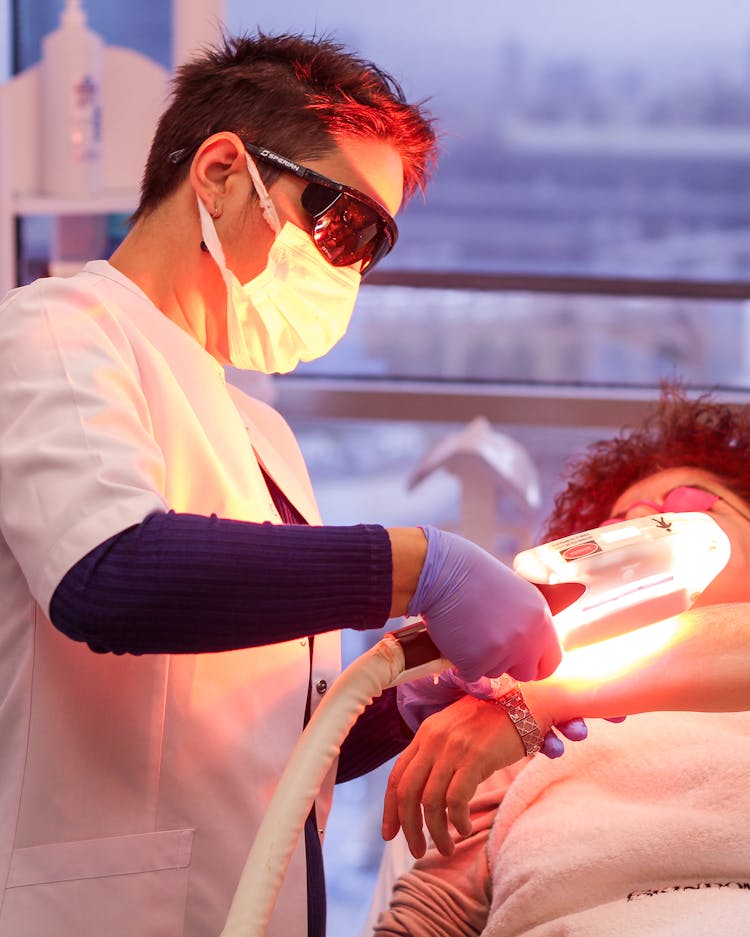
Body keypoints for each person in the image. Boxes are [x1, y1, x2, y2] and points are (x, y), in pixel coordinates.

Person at [0, 30, 562, 937]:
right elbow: (110, 576)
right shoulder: (59, 332)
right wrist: (423, 563)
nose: (347, 267)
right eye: (341, 222)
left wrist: (407, 696)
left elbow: (268, 739)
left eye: (371, 245)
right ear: (222, 172)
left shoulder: (259, 435)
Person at [373, 388, 750, 936]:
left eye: (685, 502)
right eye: (618, 519)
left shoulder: (530, 711)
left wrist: (544, 699)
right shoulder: (512, 735)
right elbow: (436, 911)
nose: (642, 519)